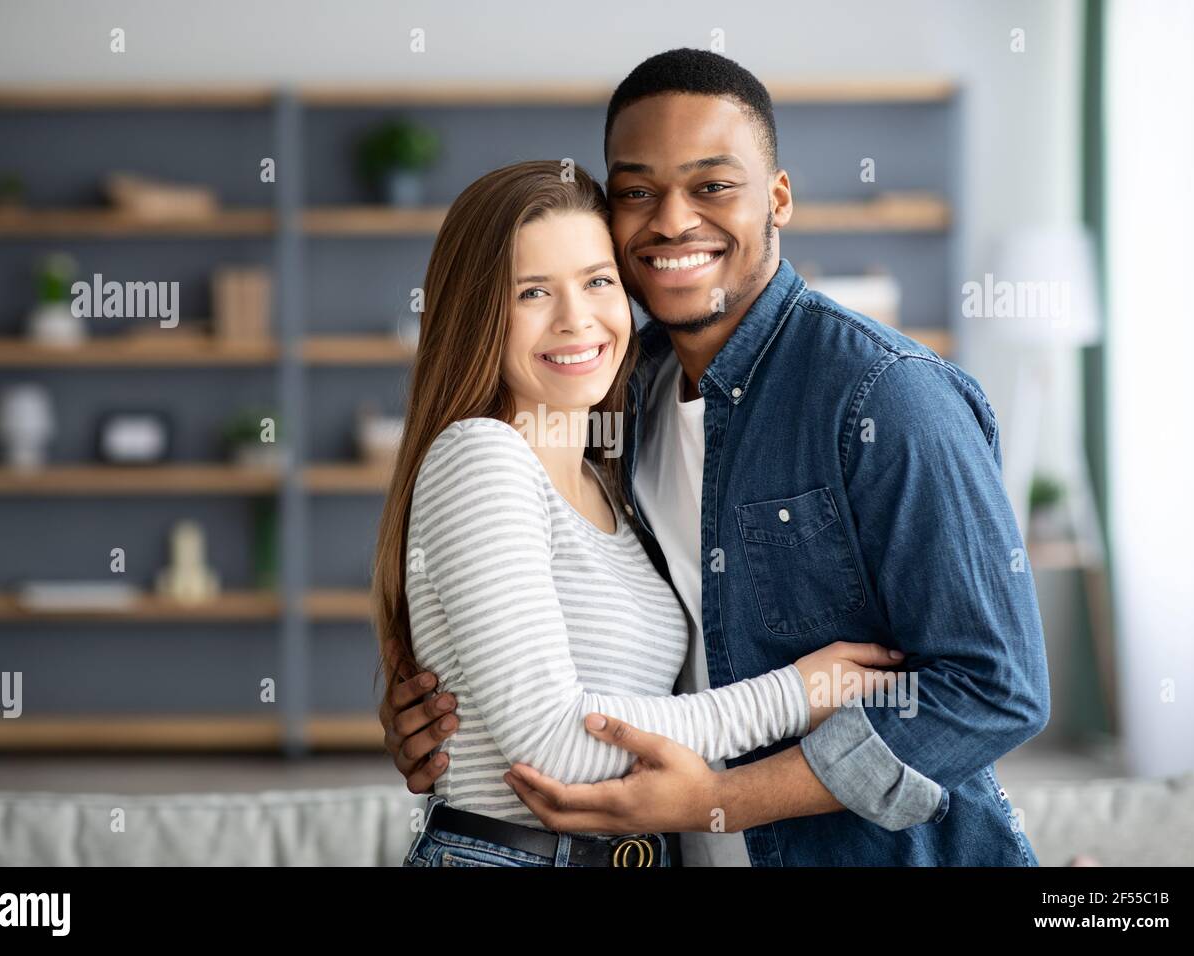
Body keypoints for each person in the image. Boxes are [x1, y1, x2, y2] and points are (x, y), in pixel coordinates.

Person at [383, 49, 1051, 867]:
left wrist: (724, 801)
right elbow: (556, 646)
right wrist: (456, 717)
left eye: (712, 185)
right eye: (636, 192)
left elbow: (994, 689)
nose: (670, 221)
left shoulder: (884, 396)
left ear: (777, 197)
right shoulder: (615, 402)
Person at [372, 159, 904, 867]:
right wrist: (798, 694)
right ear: (479, 316)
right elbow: (558, 742)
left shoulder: (609, 481)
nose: (577, 320)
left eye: (598, 282)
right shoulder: (484, 458)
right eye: (533, 292)